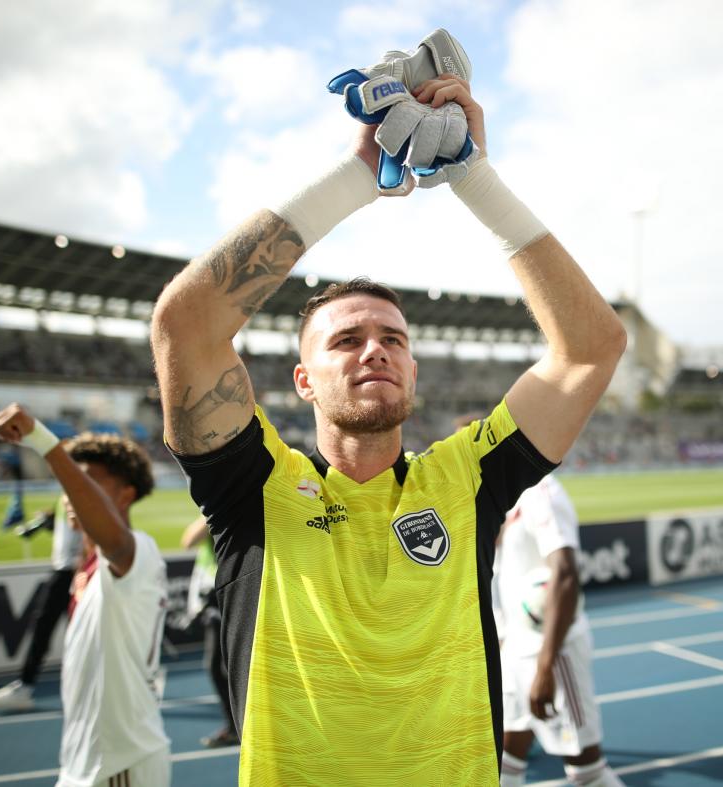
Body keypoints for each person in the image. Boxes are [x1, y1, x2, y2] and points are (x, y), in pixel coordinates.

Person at [150, 69, 626, 784]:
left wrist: (475, 177)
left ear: (413, 371)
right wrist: (360, 173)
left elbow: (591, 348)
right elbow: (185, 325)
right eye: (345, 340)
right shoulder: (254, 484)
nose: (375, 348)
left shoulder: (467, 477)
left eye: (394, 340)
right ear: (302, 381)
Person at [0, 405, 170, 787]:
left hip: (120, 763)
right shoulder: (85, 571)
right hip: (90, 764)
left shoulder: (139, 553)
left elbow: (115, 541)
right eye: (69, 484)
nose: (70, 494)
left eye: (87, 483)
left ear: (125, 495)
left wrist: (45, 443)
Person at [494, 474, 624, 787]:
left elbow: (565, 575)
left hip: (551, 654)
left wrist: (545, 667)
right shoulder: (504, 500)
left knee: (586, 767)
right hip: (514, 650)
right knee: (505, 760)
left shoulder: (541, 491)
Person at [0, 505, 82, 712]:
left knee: (76, 634)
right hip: (63, 570)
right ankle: (25, 686)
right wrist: (51, 522)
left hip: (75, 572)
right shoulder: (66, 493)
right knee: (44, 629)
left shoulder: (80, 487)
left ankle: (26, 686)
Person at [180, 515, 238, 748]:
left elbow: (189, 539)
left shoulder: (220, 509)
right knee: (219, 667)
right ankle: (236, 725)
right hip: (213, 595)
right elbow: (189, 541)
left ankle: (239, 726)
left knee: (224, 666)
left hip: (224, 595)